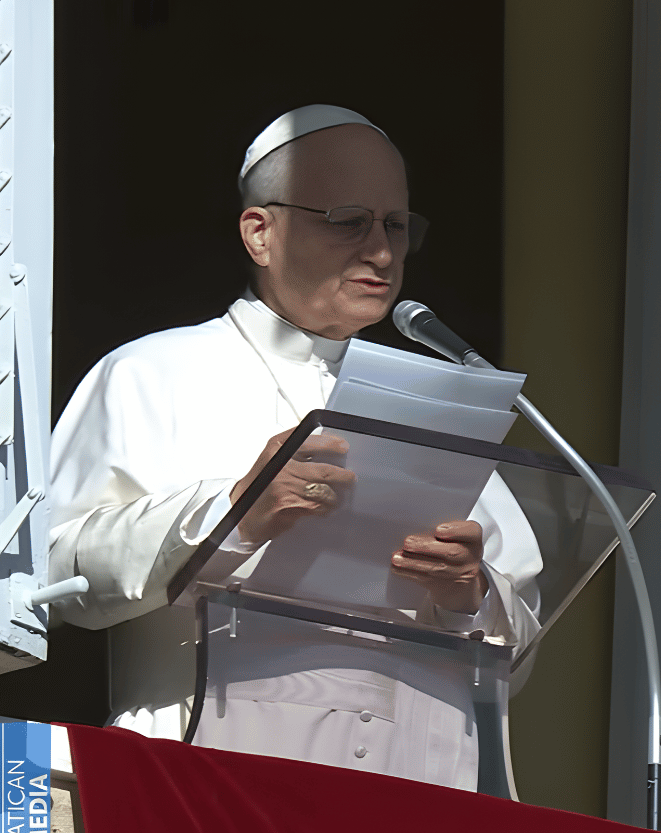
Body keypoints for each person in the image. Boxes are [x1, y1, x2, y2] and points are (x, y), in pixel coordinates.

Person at [45, 105, 538, 789]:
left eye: (397, 226)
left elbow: (521, 645)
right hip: (208, 780)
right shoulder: (149, 374)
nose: (383, 252)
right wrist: (231, 512)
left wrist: (468, 591)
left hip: (413, 800)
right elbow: (55, 573)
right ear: (260, 232)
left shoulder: (443, 406)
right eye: (348, 221)